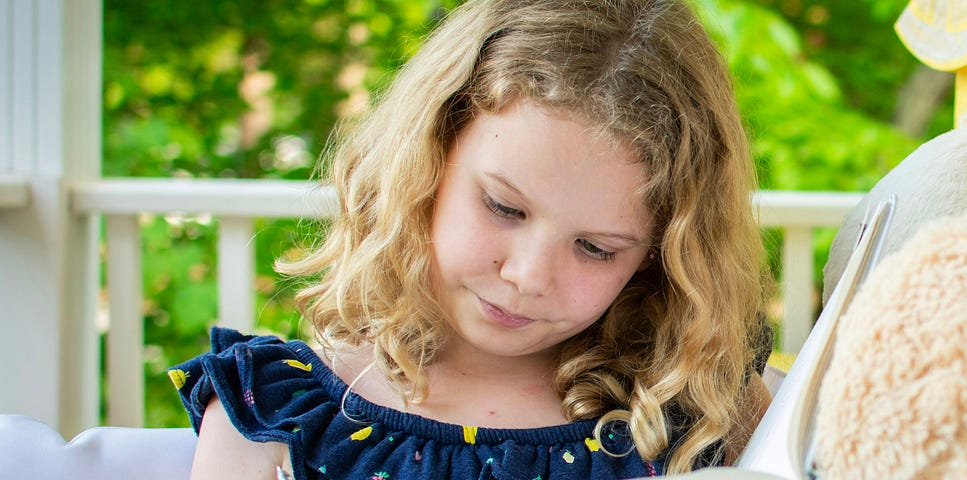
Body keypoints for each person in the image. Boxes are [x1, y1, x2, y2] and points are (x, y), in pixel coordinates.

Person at [167, 0, 772, 478]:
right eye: (504, 207)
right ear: (423, 168)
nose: (529, 276)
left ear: (656, 258)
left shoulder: (697, 414)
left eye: (596, 248)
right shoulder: (274, 415)